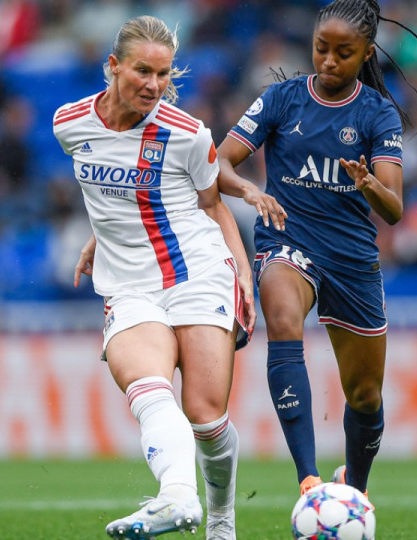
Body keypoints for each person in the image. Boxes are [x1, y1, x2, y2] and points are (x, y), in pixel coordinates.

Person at [217, 0, 417, 499]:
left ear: (366, 52)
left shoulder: (377, 113)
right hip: (288, 238)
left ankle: (353, 492)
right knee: (281, 318)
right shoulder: (282, 99)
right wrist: (251, 192)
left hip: (350, 256)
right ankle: (309, 480)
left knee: (365, 395)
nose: (328, 61)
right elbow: (221, 163)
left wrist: (368, 184)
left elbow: (394, 208)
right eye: (322, 48)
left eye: (343, 52)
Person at [53, 16, 255, 540]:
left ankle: (221, 519)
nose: (153, 85)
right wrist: (100, 238)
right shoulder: (69, 125)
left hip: (199, 272)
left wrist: (244, 277)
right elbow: (111, 195)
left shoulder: (187, 134)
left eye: (163, 74)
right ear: (113, 67)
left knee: (206, 416)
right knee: (148, 387)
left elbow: (212, 207)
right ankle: (176, 499)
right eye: (143, 70)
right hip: (128, 284)